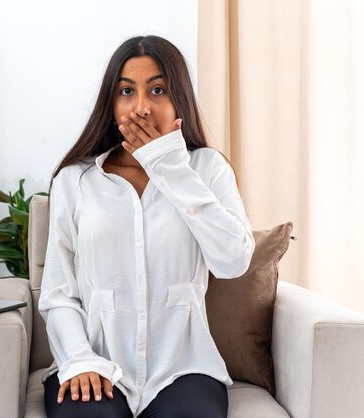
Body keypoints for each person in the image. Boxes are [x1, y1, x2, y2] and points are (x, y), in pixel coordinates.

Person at [38, 35, 255, 418]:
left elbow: (232, 261)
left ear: (178, 100)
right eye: (126, 91)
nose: (141, 107)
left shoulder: (207, 168)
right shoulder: (75, 180)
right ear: (112, 103)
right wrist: (80, 359)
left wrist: (169, 166)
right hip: (94, 362)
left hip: (184, 366)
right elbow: (59, 293)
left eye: (157, 89)